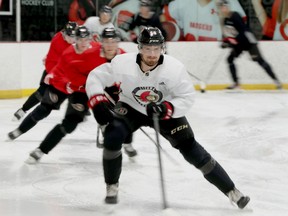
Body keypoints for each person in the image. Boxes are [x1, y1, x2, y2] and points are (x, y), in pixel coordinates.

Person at [85, 26, 250, 208]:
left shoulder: (175, 69)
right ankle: (112, 185)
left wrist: (167, 108)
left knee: (190, 148)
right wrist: (97, 100)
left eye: (156, 49)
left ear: (163, 48)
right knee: (113, 136)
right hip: (130, 106)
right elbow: (95, 77)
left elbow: (187, 97)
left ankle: (232, 191)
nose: (152, 54)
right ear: (139, 48)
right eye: (147, 48)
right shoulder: (122, 63)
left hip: (164, 109)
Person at [8, 26, 137, 163]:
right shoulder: (88, 54)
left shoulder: (123, 56)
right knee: (69, 123)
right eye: (107, 41)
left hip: (106, 88)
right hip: (81, 91)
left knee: (125, 113)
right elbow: (71, 71)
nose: (110, 45)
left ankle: (126, 143)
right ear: (101, 42)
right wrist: (74, 83)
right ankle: (40, 150)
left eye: (113, 41)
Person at [12, 21, 78, 121]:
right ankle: (23, 110)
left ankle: (80, 112)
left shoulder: (79, 41)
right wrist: (53, 75)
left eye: (74, 37)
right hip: (53, 71)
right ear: (65, 33)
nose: (71, 39)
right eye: (69, 36)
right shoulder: (57, 39)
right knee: (41, 93)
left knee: (76, 91)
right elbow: (51, 62)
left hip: (67, 73)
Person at [217, 0, 282, 89]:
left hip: (248, 41)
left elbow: (243, 30)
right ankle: (236, 83)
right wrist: (225, 43)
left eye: (225, 7)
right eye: (222, 7)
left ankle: (276, 81)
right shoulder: (225, 20)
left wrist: (233, 40)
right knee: (230, 59)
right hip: (239, 44)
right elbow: (227, 35)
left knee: (260, 60)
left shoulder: (235, 15)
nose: (223, 9)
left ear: (228, 7)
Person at [161, 0, 245, 41]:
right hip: (189, 54)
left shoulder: (230, 3)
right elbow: (164, 17)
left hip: (218, 54)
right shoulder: (183, 2)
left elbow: (240, 27)